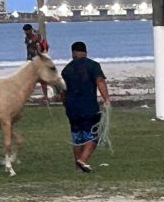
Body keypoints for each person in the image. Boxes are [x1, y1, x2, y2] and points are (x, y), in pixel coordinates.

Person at [61, 41, 110, 172]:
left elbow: (63, 91)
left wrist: (66, 105)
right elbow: (100, 81)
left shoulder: (66, 70)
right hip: (89, 107)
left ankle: (78, 167)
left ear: (73, 53)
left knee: (77, 137)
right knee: (93, 136)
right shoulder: (93, 66)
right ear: (85, 52)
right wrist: (106, 99)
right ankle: (82, 160)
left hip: (72, 108)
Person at [23, 24, 50, 103]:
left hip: (38, 60)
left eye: (27, 31)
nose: (26, 33)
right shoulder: (27, 37)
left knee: (42, 79)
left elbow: (42, 47)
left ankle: (46, 97)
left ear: (31, 30)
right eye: (25, 32)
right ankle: (28, 96)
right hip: (30, 60)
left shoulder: (37, 36)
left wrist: (41, 55)